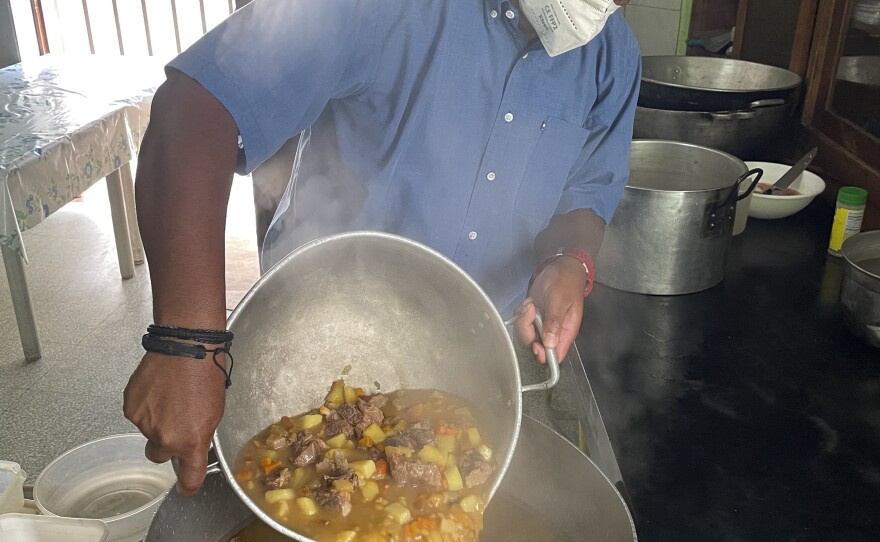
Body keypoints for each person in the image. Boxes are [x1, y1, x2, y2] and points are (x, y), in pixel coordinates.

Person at [124, 0, 639, 496]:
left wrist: (568, 261)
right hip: (307, 348)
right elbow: (196, 107)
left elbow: (588, 191)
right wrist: (187, 345)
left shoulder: (612, 53)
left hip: (481, 361)